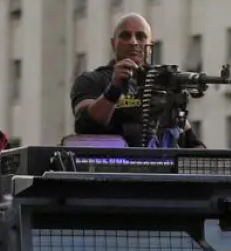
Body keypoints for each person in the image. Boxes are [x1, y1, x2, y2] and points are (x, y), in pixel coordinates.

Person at [70, 12, 204, 149]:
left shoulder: (160, 83)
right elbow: (84, 124)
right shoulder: (92, 80)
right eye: (125, 36)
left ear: (150, 47)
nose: (133, 42)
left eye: (140, 37)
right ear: (113, 43)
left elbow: (190, 141)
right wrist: (114, 88)